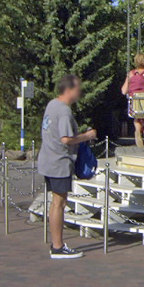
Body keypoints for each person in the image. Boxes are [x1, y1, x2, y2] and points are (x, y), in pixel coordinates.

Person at [37, 75, 97, 259]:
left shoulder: (52, 105)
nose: (80, 92)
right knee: (59, 203)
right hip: (59, 162)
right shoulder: (64, 111)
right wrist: (87, 136)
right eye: (78, 88)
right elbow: (66, 138)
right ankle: (58, 246)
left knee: (56, 203)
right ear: (69, 89)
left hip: (47, 160)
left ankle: (56, 243)